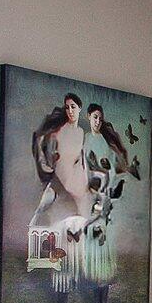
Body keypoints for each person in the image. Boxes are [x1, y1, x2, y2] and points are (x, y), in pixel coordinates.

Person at [27, 93, 90, 232]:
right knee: (44, 206)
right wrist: (45, 163)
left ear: (79, 108)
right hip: (60, 174)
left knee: (82, 214)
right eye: (67, 108)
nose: (70, 111)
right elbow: (40, 140)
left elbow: (81, 156)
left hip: (75, 176)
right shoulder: (59, 131)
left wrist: (83, 174)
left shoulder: (81, 132)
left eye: (73, 107)